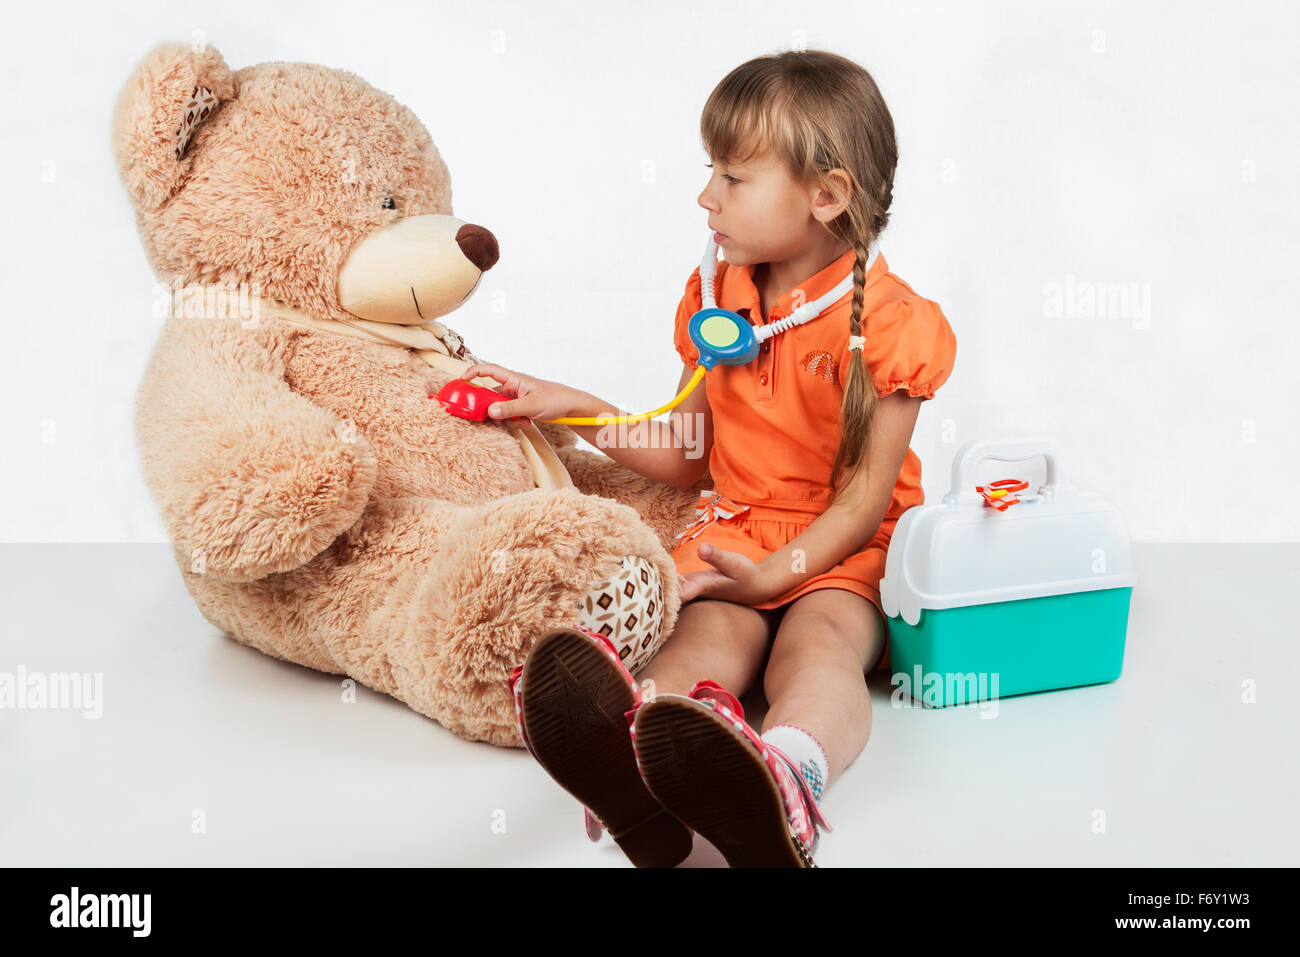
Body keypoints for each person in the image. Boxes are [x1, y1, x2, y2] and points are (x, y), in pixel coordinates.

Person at [475, 49, 957, 867]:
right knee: (703, 640)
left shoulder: (892, 326)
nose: (707, 196)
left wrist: (776, 577)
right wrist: (572, 404)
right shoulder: (719, 297)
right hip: (738, 529)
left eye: (733, 176)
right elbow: (686, 454)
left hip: (847, 548)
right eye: (711, 171)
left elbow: (863, 505)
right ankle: (637, 763)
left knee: (819, 646)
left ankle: (787, 775)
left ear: (827, 196)